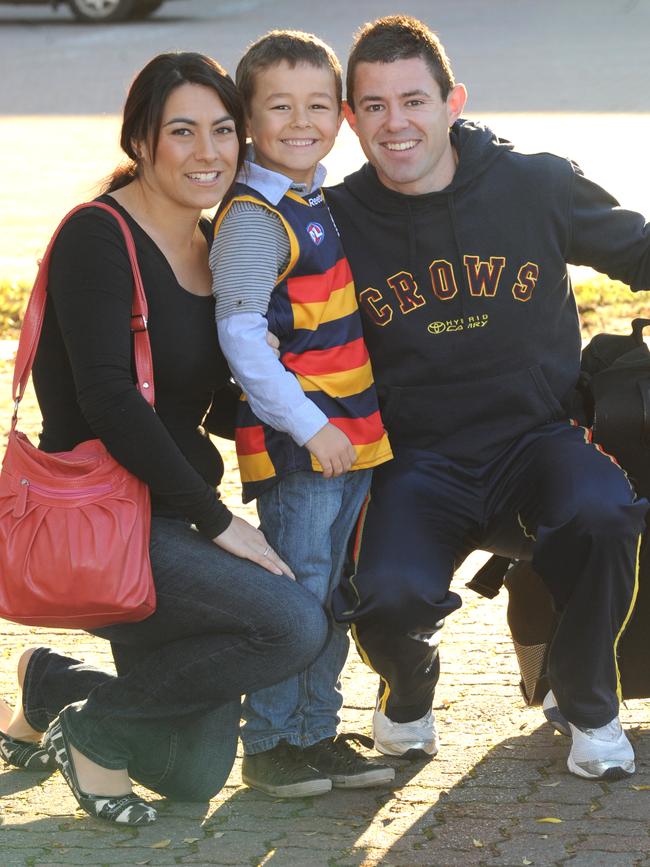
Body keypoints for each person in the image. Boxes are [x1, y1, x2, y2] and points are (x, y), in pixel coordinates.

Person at [0, 51, 328, 825]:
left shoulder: (216, 245)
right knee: (289, 623)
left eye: (223, 130)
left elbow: (204, 398)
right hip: (111, 515)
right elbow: (111, 399)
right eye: (182, 131)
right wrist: (218, 524)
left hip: (174, 510)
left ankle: (56, 685)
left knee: (189, 776)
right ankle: (96, 729)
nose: (208, 152)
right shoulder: (98, 236)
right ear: (141, 141)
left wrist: (320, 434)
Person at [326, 15, 650, 780]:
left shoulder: (532, 182)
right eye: (373, 106)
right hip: (415, 460)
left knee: (606, 510)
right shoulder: (337, 219)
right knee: (384, 595)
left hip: (537, 442)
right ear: (351, 118)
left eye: (413, 100)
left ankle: (590, 700)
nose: (396, 123)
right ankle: (410, 688)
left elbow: (637, 247)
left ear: (452, 101)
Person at [210, 30, 394, 798]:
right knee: (299, 589)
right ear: (247, 120)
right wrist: (309, 426)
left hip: (348, 441)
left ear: (341, 113)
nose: (301, 120)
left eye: (319, 104)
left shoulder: (314, 196)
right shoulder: (255, 216)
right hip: (303, 447)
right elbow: (242, 334)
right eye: (279, 106)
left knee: (334, 589)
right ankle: (273, 741)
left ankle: (315, 730)